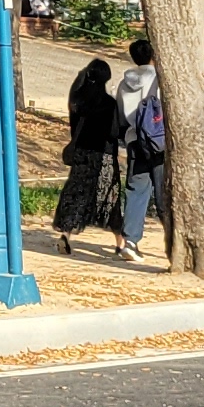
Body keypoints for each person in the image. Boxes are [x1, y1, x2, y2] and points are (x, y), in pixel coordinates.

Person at [52, 56, 127, 257]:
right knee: (110, 198)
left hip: (82, 153)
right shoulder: (109, 103)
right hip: (104, 156)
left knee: (77, 193)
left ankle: (66, 234)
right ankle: (121, 242)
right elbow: (114, 132)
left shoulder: (78, 101)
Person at [116, 39, 168, 262]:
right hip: (159, 140)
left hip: (135, 139)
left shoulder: (124, 82)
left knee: (136, 189)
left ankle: (130, 241)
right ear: (153, 55)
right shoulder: (160, 79)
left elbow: (121, 115)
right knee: (164, 191)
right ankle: (173, 240)